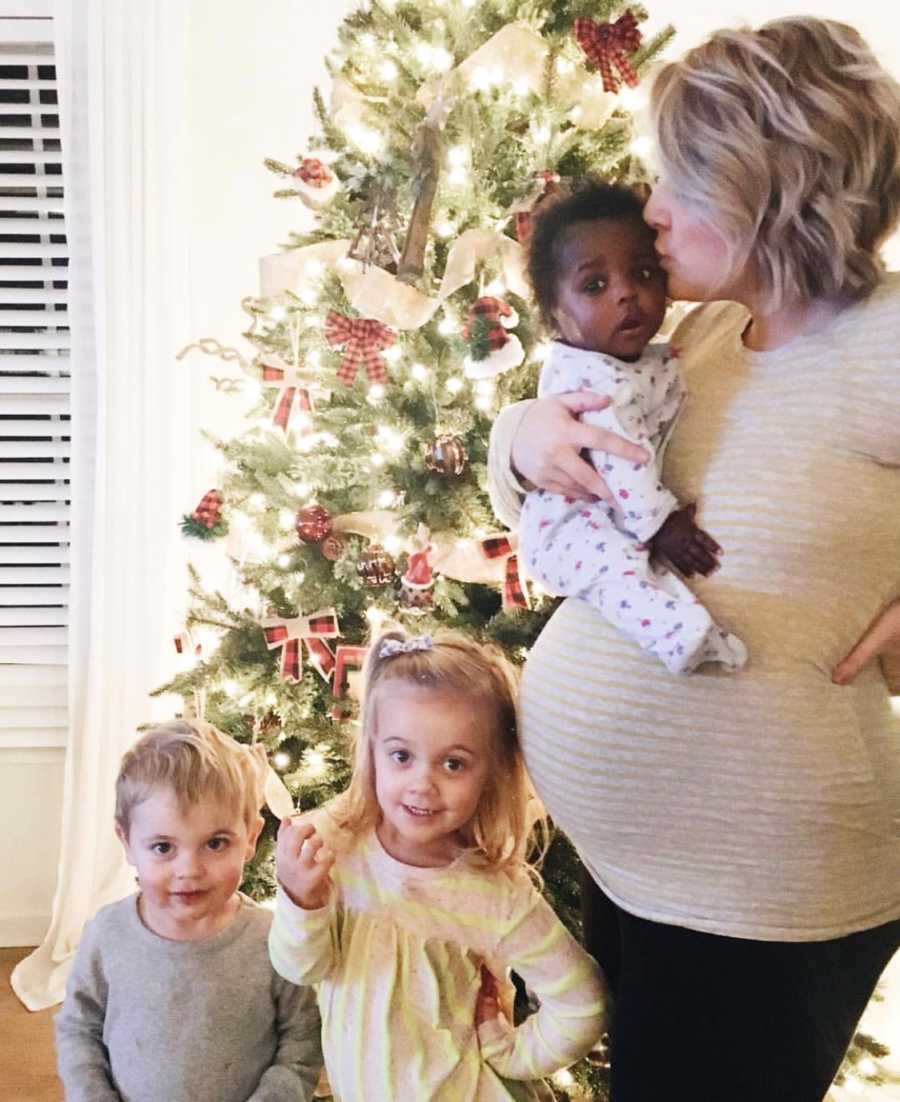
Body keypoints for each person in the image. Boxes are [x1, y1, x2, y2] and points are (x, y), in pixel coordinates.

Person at [487, 16, 900, 1102]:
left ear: (768, 189)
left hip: (759, 896)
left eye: (679, 181)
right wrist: (519, 443)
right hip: (639, 872)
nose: (652, 211)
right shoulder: (703, 338)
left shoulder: (886, 338)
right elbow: (571, 454)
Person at [268, 629, 609, 1101]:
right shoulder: (338, 851)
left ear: (491, 772)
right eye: (402, 756)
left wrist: (512, 1054)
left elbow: (582, 1004)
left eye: (453, 764)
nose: (422, 784)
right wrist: (301, 900)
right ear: (372, 752)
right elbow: (301, 968)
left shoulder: (495, 895)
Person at [519, 180, 747, 673]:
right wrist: (662, 525)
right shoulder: (593, 379)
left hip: (602, 518)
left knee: (629, 566)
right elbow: (625, 458)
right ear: (556, 313)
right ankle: (682, 639)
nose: (626, 293)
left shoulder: (647, 358)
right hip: (569, 530)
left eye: (643, 272)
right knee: (624, 574)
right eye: (594, 286)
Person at [54, 720, 323, 1102]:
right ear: (127, 841)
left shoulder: (275, 939)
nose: (190, 870)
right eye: (163, 847)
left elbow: (302, 1038)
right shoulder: (107, 933)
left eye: (215, 843)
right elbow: (78, 1029)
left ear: (251, 837)